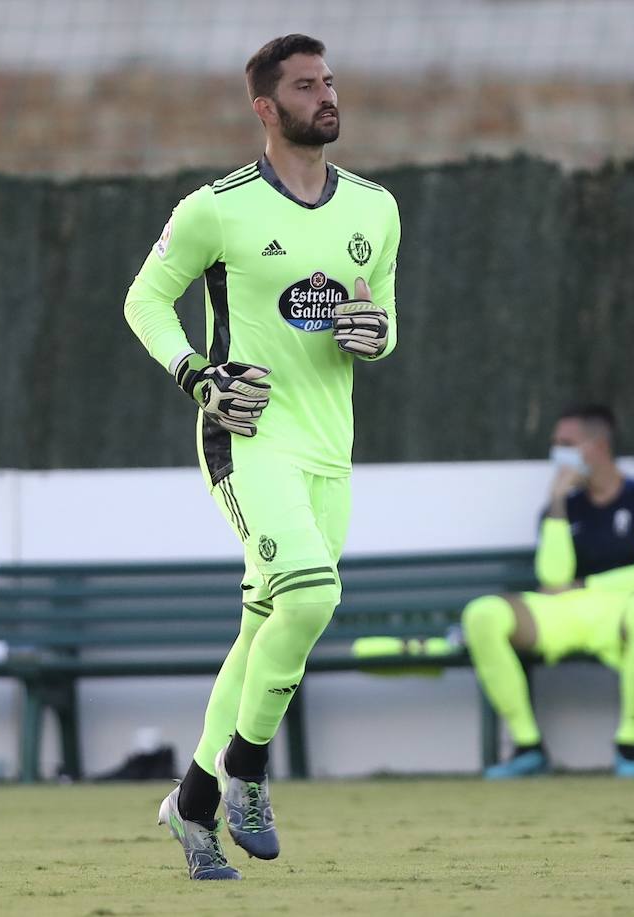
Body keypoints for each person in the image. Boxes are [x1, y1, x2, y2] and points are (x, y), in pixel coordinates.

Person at [123, 34, 400, 880]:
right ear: (265, 108)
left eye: (329, 82)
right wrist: (196, 375)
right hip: (246, 441)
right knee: (313, 595)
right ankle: (246, 767)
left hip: (330, 450)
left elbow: (379, 324)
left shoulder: (376, 209)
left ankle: (194, 808)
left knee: (264, 629)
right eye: (306, 86)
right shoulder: (218, 206)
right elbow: (146, 300)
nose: (326, 96)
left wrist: (375, 336)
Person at [462, 404, 634, 778]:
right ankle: (528, 747)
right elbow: (552, 576)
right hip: (562, 612)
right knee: (482, 614)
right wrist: (559, 504)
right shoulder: (561, 506)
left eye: (566, 443)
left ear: (597, 446)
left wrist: (586, 584)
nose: (557, 452)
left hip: (617, 609)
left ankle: (629, 745)